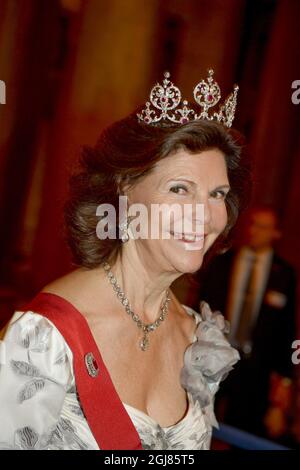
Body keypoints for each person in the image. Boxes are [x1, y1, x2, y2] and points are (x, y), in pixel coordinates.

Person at [0, 70, 248, 450]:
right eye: (180, 189)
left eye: (217, 194)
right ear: (125, 190)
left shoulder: (197, 337)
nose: (204, 214)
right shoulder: (44, 339)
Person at [197, 206, 297, 440]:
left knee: (244, 434)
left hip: (256, 369)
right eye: (252, 224)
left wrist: (284, 385)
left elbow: (287, 332)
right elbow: (200, 310)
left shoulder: (284, 274)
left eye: (263, 227)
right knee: (200, 429)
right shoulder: (222, 262)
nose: (254, 231)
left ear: (276, 233)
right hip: (214, 361)